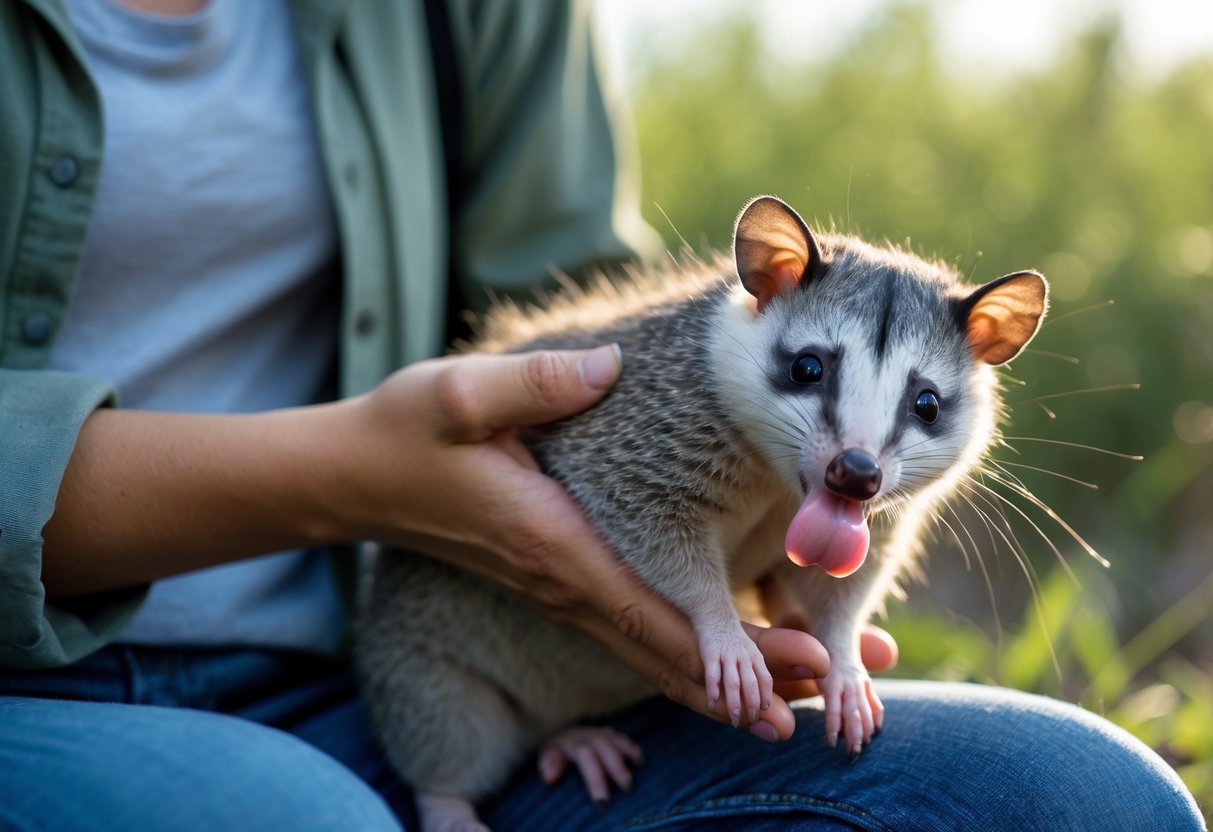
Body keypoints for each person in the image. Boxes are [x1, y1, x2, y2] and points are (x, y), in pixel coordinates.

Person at [0, 0, 1203, 829]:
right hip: (82, 684)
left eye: (916, 418)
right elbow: (631, 471)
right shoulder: (720, 365)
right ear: (760, 293)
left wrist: (816, 644)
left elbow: (558, 286)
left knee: (1082, 797)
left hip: (475, 688)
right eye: (818, 392)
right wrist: (351, 476)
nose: (857, 459)